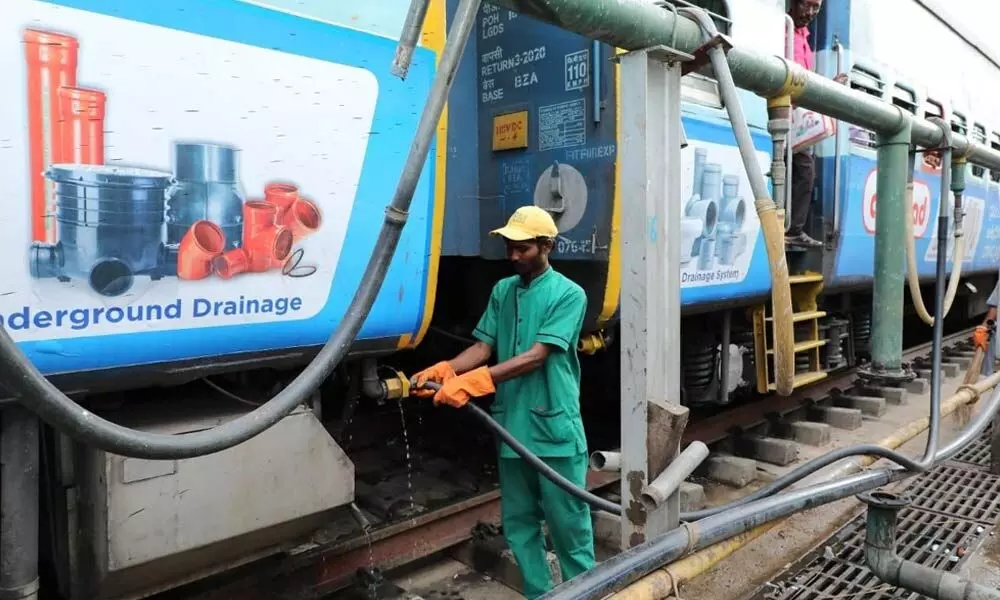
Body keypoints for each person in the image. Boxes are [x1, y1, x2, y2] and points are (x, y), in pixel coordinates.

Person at [411, 205, 594, 599]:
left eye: (522, 249)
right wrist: (447, 369)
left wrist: (473, 383)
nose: (513, 257)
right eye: (510, 247)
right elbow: (482, 346)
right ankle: (538, 594)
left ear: (547, 246)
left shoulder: (569, 294)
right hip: (513, 427)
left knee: (569, 527)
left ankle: (588, 593)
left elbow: (536, 356)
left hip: (553, 427)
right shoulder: (503, 291)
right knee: (519, 524)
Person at [786, 0, 846, 248]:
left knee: (804, 169)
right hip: (785, 113)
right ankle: (793, 229)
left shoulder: (804, 37)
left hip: (797, 115)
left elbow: (805, 80)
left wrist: (829, 85)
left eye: (816, 8)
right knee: (805, 169)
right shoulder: (783, 30)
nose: (810, 13)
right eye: (806, 5)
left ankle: (793, 227)